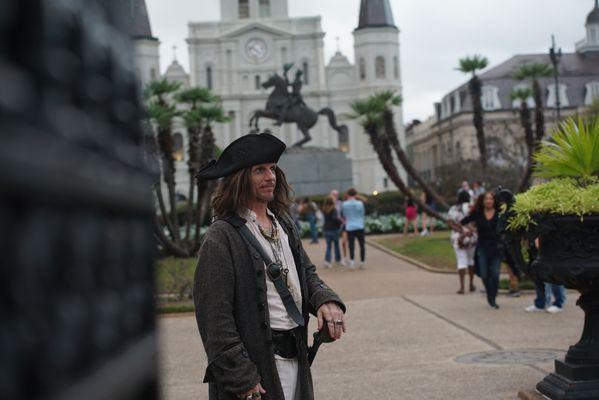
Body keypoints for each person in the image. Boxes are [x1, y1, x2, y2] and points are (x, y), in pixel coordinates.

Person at [194, 133, 346, 400]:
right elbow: (214, 318)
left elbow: (306, 273)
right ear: (240, 179)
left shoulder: (284, 224)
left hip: (295, 357)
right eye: (259, 170)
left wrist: (325, 300)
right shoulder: (222, 236)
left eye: (273, 169)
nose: (270, 176)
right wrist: (240, 375)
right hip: (255, 371)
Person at [461, 192, 502, 309]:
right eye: (486, 199)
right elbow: (463, 221)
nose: (489, 201)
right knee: (484, 274)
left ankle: (493, 298)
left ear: (494, 201)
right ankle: (489, 293)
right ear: (482, 201)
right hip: (482, 247)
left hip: (496, 248)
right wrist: (470, 229)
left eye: (491, 199)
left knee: (495, 274)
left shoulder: (500, 214)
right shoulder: (478, 214)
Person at [448, 191, 477, 294]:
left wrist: (460, 231)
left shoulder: (453, 209)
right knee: (470, 260)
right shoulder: (472, 207)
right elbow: (476, 221)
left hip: (458, 237)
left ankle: (462, 287)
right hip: (472, 237)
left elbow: (450, 223)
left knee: (461, 261)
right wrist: (470, 230)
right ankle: (471, 284)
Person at [341, 188, 366, 270]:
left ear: (348, 194)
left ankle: (352, 262)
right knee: (362, 245)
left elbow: (344, 215)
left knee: (351, 245)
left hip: (350, 226)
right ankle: (362, 262)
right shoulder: (360, 203)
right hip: (359, 225)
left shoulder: (344, 204)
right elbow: (362, 214)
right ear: (356, 194)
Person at [322, 195, 342, 268]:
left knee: (329, 246)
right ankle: (338, 260)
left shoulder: (324, 209)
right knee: (336, 245)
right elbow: (335, 219)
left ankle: (327, 261)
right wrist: (340, 222)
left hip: (326, 229)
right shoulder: (333, 209)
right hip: (334, 229)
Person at [330, 189, 349, 266]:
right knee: (336, 242)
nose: (335, 196)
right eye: (333, 195)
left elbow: (344, 213)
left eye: (336, 195)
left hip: (342, 224)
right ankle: (338, 258)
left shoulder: (341, 203)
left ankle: (345, 258)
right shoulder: (329, 204)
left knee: (344, 242)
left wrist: (343, 220)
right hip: (334, 226)